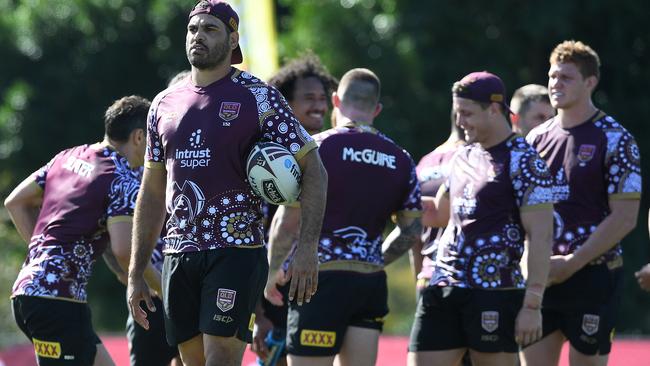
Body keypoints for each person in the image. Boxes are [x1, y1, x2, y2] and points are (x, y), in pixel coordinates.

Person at [126, 1, 328, 366]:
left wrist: (308, 247)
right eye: (193, 29)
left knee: (220, 358)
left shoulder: (259, 97)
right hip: (179, 254)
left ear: (233, 38)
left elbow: (313, 167)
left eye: (210, 29)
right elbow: (152, 191)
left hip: (235, 250)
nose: (198, 36)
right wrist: (136, 271)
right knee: (193, 362)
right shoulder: (163, 104)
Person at [265, 68, 422, 366]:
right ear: (376, 109)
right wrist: (374, 258)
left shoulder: (317, 148)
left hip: (318, 281)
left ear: (335, 100)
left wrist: (272, 272)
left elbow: (287, 223)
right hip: (370, 283)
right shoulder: (401, 158)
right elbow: (411, 230)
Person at [408, 71, 554, 366]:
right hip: (443, 285)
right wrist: (389, 197)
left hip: (494, 292)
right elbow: (440, 215)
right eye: (457, 112)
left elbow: (541, 235)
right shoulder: (462, 156)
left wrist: (532, 305)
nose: (459, 121)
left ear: (494, 109)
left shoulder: (526, 161)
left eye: (467, 113)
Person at [6, 95, 158, 366]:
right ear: (138, 137)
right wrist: (166, 289)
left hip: (31, 292)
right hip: (57, 302)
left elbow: (15, 202)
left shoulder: (67, 157)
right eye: (152, 140)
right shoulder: (121, 178)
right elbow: (125, 251)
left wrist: (46, 257)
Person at [522, 40, 641, 366]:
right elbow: (522, 212)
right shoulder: (535, 139)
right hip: (541, 278)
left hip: (593, 276)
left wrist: (571, 263)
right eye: (552, 76)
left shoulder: (616, 138)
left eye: (566, 77)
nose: (555, 84)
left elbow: (625, 218)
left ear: (590, 82)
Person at [251, 52, 338, 366]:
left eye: (323, 98)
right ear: (286, 104)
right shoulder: (267, 156)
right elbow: (255, 234)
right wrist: (258, 314)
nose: (319, 105)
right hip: (277, 293)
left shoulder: (332, 150)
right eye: (309, 98)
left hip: (324, 287)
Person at [411, 110, 465, 294]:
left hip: (427, 278)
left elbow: (413, 231)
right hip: (463, 278)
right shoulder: (476, 159)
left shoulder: (425, 162)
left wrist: (419, 277)